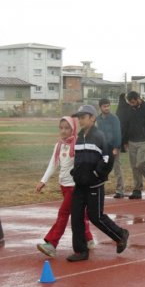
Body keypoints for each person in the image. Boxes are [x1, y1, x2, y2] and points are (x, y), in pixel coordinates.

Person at [67, 105, 129, 262]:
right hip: (80, 185)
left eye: (83, 117)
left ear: (92, 118)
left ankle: (120, 234)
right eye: (79, 117)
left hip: (94, 184)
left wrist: (96, 174)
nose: (80, 120)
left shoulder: (99, 136)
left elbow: (108, 159)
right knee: (76, 217)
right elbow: (79, 159)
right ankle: (81, 251)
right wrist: (76, 173)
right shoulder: (79, 137)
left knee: (96, 217)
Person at [35, 116, 94, 258]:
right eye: (61, 128)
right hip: (63, 185)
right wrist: (43, 181)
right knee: (78, 214)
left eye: (67, 128)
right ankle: (89, 239)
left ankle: (52, 243)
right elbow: (53, 164)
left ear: (73, 129)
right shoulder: (59, 145)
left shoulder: (79, 144)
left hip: (75, 187)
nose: (63, 131)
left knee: (63, 214)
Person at [122, 91, 145, 199]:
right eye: (130, 103)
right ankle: (137, 190)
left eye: (133, 102)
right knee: (134, 167)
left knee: (141, 163)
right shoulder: (128, 110)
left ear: (138, 98)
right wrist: (124, 141)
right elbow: (125, 125)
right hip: (132, 141)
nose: (132, 104)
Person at [96, 98, 124, 199]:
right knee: (101, 168)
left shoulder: (114, 118)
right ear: (100, 107)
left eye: (108, 106)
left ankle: (120, 190)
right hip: (102, 147)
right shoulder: (98, 119)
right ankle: (100, 189)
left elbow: (117, 133)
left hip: (112, 146)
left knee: (117, 168)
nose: (107, 108)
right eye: (104, 106)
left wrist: (116, 147)